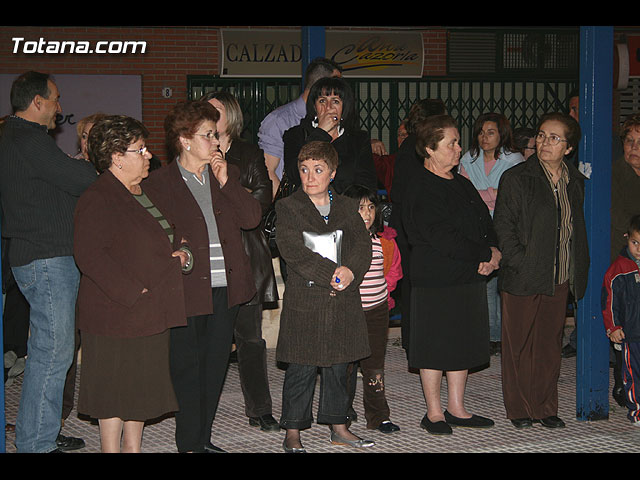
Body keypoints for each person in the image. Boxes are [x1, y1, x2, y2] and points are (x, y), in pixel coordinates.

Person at [145, 100, 261, 453]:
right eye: (208, 135)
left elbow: (252, 218)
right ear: (184, 139)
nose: (216, 142)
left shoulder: (226, 174)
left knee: (214, 368)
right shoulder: (159, 183)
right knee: (186, 370)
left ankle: (202, 440)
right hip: (183, 289)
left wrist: (227, 182)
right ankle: (188, 443)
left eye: (216, 134)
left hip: (225, 287)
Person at [73, 115, 190, 453]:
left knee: (140, 390)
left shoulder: (144, 191)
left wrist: (180, 250)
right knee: (112, 390)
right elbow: (89, 255)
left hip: (150, 310)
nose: (149, 155)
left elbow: (167, 233)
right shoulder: (98, 197)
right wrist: (133, 289)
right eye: (140, 149)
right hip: (116, 313)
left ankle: (132, 449)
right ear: (116, 156)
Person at [0, 71, 97, 453]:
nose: (60, 107)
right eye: (55, 99)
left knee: (50, 353)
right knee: (51, 355)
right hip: (45, 258)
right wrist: (91, 164)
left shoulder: (18, 138)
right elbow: (81, 177)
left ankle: (37, 436)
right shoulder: (27, 138)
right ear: (36, 102)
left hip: (39, 256)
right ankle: (36, 444)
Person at [402, 114, 498, 436]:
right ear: (430, 149)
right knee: (435, 346)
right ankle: (433, 412)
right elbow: (443, 236)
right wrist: (484, 254)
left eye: (457, 142)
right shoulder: (420, 187)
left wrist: (493, 253)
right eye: (451, 143)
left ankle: (456, 407)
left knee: (461, 343)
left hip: (468, 276)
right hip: (436, 280)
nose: (459, 149)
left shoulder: (462, 183)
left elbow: (485, 222)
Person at [275, 141, 374, 452]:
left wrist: (351, 271)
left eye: (318, 170)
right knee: (301, 368)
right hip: (306, 300)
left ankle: (339, 425)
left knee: (338, 367)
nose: (310, 176)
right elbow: (293, 250)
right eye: (304, 170)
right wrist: (331, 272)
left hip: (342, 299)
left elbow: (362, 246)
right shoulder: (289, 207)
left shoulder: (346, 207)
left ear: (332, 173)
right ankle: (293, 430)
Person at [493, 112, 589, 429]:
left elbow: (573, 228)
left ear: (569, 148)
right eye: (542, 135)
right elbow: (503, 228)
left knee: (549, 346)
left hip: (558, 275)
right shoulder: (518, 177)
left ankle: (545, 406)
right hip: (523, 274)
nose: (545, 143)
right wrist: (520, 260)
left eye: (554, 138)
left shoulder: (574, 181)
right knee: (518, 344)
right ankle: (520, 409)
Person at [203, 91, 280, 432]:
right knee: (208, 342)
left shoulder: (248, 153)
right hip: (207, 259)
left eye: (214, 110)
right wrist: (239, 195)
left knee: (250, 339)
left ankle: (260, 409)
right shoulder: (196, 151)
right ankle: (199, 409)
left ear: (230, 116)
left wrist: (229, 191)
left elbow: (261, 203)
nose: (206, 114)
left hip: (245, 258)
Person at [459, 113, 524, 355]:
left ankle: (506, 335)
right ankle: (490, 336)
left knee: (505, 284)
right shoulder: (468, 159)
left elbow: (512, 197)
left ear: (502, 134)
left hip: (508, 228)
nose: (484, 138)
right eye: (481, 132)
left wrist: (483, 194)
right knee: (485, 282)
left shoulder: (514, 160)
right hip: (479, 230)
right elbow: (466, 195)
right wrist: (492, 193)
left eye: (491, 132)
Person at [343, 183, 402, 434]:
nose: (367, 213)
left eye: (370, 207)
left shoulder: (384, 240)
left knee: (374, 365)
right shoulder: (341, 241)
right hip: (348, 312)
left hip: (377, 311)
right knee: (344, 365)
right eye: (360, 208)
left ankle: (378, 415)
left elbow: (394, 270)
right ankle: (341, 411)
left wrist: (384, 290)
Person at [389, 98, 446, 356]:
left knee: (413, 284)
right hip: (414, 226)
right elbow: (406, 191)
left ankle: (414, 339)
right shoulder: (417, 148)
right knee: (417, 283)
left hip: (407, 224)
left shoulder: (410, 146)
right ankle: (417, 341)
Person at [258, 57, 342, 197]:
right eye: (337, 81)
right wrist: (285, 207)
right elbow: (268, 172)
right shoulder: (279, 120)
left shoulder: (337, 117)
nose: (341, 87)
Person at [282, 76, 377, 195]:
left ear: (344, 108)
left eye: (335, 101)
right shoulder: (296, 135)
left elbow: (366, 184)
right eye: (322, 101)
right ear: (314, 107)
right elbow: (294, 174)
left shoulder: (358, 139)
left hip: (346, 209)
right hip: (304, 209)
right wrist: (321, 133)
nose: (328, 107)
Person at [610, 112, 640, 407]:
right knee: (626, 321)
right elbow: (620, 219)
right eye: (629, 141)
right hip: (623, 262)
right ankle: (622, 384)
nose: (634, 147)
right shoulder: (616, 174)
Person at [602, 214, 640, 425]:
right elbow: (610, 302)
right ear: (627, 238)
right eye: (635, 243)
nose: (639, 249)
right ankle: (637, 411)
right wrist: (613, 327)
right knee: (633, 373)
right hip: (631, 334)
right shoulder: (619, 269)